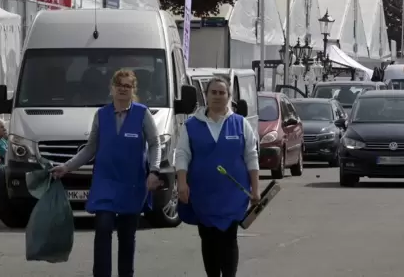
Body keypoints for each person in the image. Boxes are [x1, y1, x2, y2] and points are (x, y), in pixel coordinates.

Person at [51, 69, 162, 277]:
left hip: (132, 183)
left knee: (127, 235)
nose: (122, 89)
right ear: (111, 88)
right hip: (105, 182)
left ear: (133, 90)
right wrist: (67, 167)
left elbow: (155, 144)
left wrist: (154, 171)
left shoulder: (142, 113)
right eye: (119, 85)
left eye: (127, 86)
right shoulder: (101, 115)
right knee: (103, 227)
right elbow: (90, 147)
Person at [176, 76, 260, 277]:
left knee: (229, 238)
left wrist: (255, 189)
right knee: (209, 239)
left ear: (229, 97)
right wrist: (181, 183)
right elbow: (182, 155)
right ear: (206, 96)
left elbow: (251, 155)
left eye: (222, 92)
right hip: (203, 194)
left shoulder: (240, 124)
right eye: (213, 92)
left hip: (232, 194)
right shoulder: (191, 125)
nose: (217, 96)